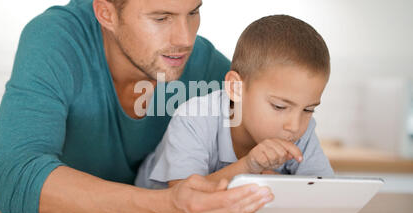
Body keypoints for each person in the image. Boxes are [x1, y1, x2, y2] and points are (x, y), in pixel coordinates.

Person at [0, 0, 274, 213]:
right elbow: (17, 175)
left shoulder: (207, 68)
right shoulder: (56, 38)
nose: (185, 39)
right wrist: (167, 208)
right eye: (161, 18)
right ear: (106, 14)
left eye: (193, 13)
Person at [135, 15, 334, 189]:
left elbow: (325, 192)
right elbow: (184, 195)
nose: (295, 126)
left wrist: (283, 186)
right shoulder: (194, 118)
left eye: (309, 109)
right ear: (235, 88)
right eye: (279, 106)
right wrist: (250, 167)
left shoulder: (301, 130)